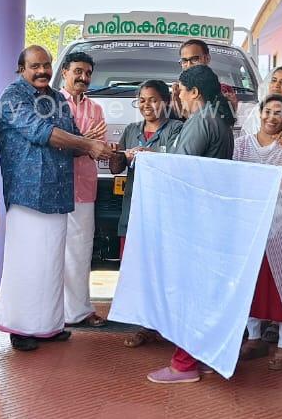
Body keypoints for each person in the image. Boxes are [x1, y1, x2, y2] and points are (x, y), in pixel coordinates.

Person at [0, 45, 113, 351]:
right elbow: (43, 132)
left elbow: (73, 137)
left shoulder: (57, 99)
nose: (42, 71)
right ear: (22, 68)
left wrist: (97, 146)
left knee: (51, 263)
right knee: (27, 262)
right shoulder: (13, 97)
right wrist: (88, 144)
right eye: (35, 66)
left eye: (46, 65)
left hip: (59, 192)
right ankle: (21, 328)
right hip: (28, 194)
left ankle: (49, 324)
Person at [146, 64, 236, 383]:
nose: (178, 97)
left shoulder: (201, 120)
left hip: (196, 217)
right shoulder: (219, 120)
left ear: (194, 92)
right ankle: (204, 355)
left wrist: (145, 158)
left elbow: (179, 168)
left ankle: (184, 364)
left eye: (180, 91)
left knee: (189, 291)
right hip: (211, 216)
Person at [236, 95, 282, 370]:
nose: (272, 117)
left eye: (279, 113)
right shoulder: (242, 145)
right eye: (268, 111)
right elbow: (235, 176)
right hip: (249, 227)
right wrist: (271, 175)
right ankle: (254, 337)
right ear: (260, 113)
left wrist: (257, 177)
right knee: (249, 282)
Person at [112, 80, 184, 348]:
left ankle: (166, 325)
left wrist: (150, 154)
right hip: (133, 212)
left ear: (165, 101)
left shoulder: (177, 129)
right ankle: (144, 325)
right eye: (141, 100)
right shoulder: (131, 130)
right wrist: (120, 155)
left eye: (152, 100)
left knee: (165, 270)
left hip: (165, 214)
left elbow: (180, 162)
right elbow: (116, 167)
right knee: (137, 270)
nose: (146, 106)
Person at [59, 51, 109, 328]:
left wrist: (85, 144)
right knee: (54, 250)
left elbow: (98, 149)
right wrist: (84, 141)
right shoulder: (52, 104)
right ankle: (54, 311)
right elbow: (54, 141)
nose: (83, 77)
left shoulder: (96, 109)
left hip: (85, 187)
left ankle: (79, 310)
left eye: (88, 73)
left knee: (80, 250)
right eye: (78, 71)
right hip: (56, 187)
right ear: (65, 72)